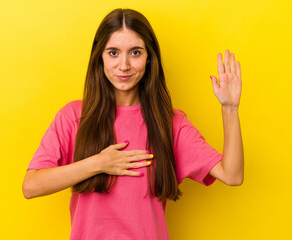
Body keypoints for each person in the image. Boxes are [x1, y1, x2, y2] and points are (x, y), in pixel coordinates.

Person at [22, 8, 244, 240]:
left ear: (149, 58)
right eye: (113, 53)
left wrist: (230, 109)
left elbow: (232, 175)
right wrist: (99, 163)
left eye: (135, 53)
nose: (124, 65)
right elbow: (31, 186)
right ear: (100, 57)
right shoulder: (74, 116)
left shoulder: (170, 123)